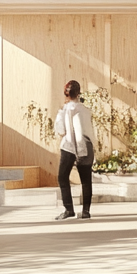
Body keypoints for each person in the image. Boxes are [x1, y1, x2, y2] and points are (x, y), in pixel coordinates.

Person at [54, 80, 95, 221]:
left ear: (66, 94)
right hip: (86, 145)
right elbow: (89, 130)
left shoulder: (65, 110)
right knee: (86, 180)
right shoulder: (84, 110)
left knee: (62, 177)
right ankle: (85, 211)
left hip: (69, 146)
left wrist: (60, 113)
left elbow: (60, 130)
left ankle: (68, 209)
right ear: (78, 93)